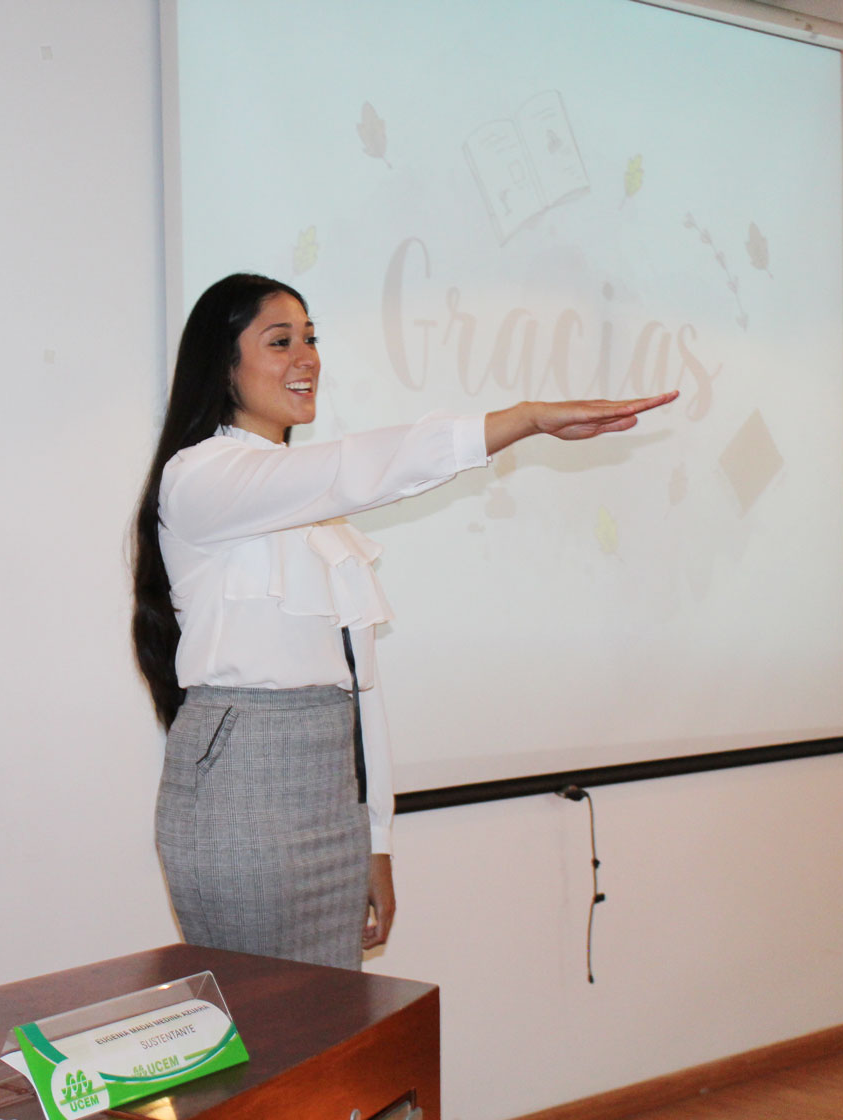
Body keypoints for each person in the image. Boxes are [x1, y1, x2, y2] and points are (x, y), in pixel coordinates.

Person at [131, 273, 675, 969]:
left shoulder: (316, 510)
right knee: (263, 1016)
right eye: (280, 341)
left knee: (330, 1019)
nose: (306, 358)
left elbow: (361, 689)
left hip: (331, 794)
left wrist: (377, 838)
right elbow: (354, 468)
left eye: (311, 339)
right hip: (242, 787)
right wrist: (523, 419)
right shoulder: (201, 476)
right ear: (223, 363)